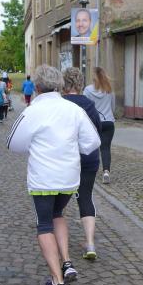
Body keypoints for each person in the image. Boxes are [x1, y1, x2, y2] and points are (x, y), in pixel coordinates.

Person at [7, 65, 101, 285]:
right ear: (59, 85)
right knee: (58, 214)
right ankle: (66, 262)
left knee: (44, 224)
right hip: (68, 177)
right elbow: (92, 142)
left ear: (37, 87)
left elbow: (14, 144)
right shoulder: (74, 110)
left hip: (43, 179)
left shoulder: (33, 111)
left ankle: (57, 282)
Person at [62, 67, 103, 260]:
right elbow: (97, 132)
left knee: (58, 201)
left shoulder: (60, 104)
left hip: (66, 159)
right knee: (85, 198)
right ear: (80, 84)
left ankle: (57, 239)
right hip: (89, 158)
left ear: (63, 84)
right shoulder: (89, 105)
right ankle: (90, 243)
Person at [83, 67, 116, 184]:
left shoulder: (87, 90)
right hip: (108, 122)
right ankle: (106, 171)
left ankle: (92, 170)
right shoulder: (109, 89)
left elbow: (86, 107)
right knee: (105, 148)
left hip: (94, 123)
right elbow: (113, 107)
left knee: (93, 147)